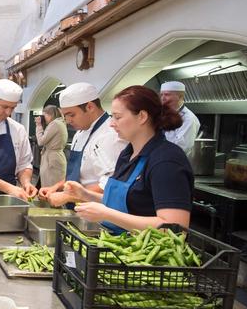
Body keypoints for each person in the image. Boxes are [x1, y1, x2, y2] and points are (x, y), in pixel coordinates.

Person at [64, 85, 194, 233]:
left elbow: (175, 228)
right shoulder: (127, 154)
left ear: (142, 117)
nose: (112, 124)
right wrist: (85, 195)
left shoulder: (167, 161)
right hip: (121, 248)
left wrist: (106, 214)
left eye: (117, 117)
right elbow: (128, 203)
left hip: (148, 253)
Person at [38, 83, 126, 207]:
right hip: (78, 207)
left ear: (90, 107)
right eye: (65, 116)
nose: (68, 121)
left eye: (71, 115)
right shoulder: (80, 133)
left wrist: (67, 196)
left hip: (97, 210)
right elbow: (77, 174)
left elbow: (110, 185)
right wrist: (55, 187)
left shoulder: (111, 135)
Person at [160, 81, 200, 157]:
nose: (163, 98)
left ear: (180, 96)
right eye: (161, 95)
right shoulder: (162, 114)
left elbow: (181, 147)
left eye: (167, 94)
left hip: (172, 162)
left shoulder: (188, 119)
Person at [34, 105, 67, 188]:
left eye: (44, 115)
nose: (44, 118)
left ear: (50, 115)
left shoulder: (55, 124)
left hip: (52, 159)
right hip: (55, 157)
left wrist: (39, 126)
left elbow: (41, 141)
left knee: (50, 186)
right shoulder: (61, 122)